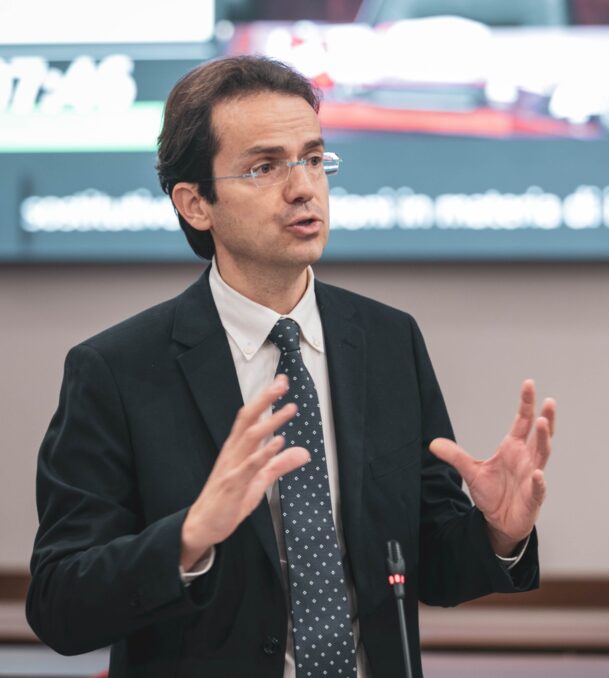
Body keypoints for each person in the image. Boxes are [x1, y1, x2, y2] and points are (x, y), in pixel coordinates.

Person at [26, 56, 556, 678]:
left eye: (313, 158)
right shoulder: (116, 371)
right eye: (265, 167)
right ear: (195, 204)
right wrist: (190, 535)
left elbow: (425, 568)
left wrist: (496, 533)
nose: (303, 187)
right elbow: (60, 606)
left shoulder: (388, 342)